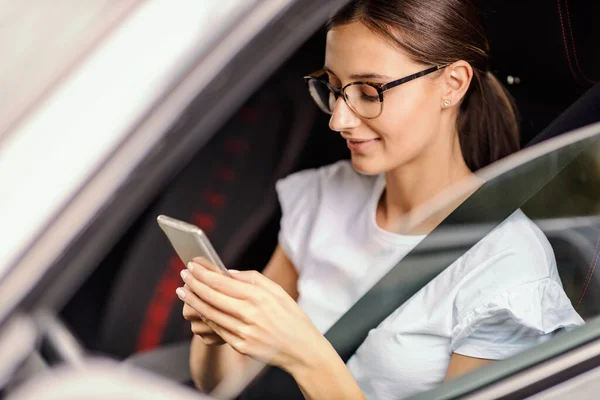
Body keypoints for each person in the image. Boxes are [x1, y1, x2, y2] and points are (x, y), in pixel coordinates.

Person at [175, 0, 585, 398]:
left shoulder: (507, 269)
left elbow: (301, 355)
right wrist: (214, 333)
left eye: (369, 92)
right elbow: (223, 385)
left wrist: (306, 355)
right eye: (334, 90)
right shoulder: (323, 196)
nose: (339, 119)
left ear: (453, 84)